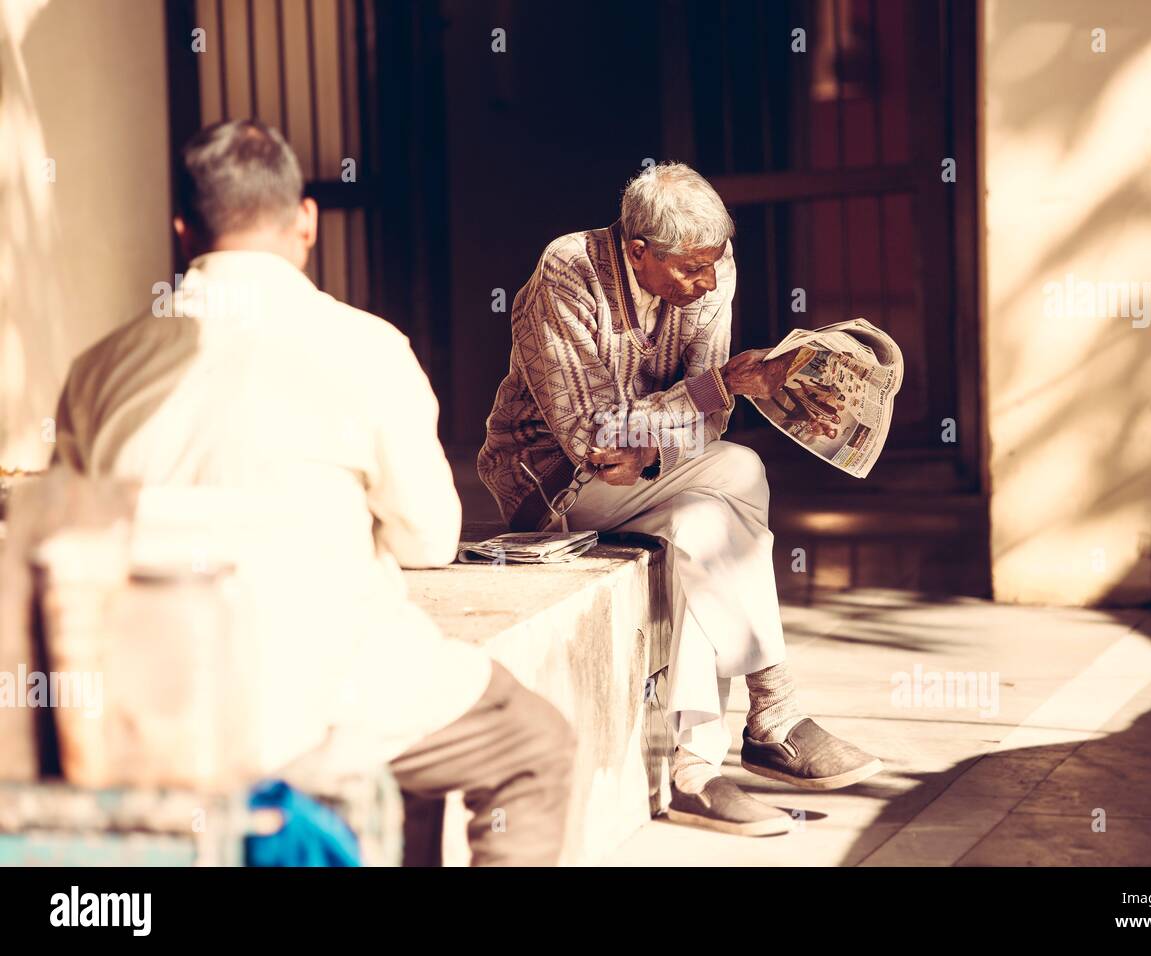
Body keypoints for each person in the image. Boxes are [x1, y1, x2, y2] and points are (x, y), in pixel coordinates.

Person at [53, 119, 574, 865]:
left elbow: (74, 541)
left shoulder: (98, 369)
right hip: (314, 704)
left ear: (182, 231)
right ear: (306, 220)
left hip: (149, 706)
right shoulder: (366, 346)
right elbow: (428, 539)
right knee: (534, 743)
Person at [478, 162, 881, 836]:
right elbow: (591, 438)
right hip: (549, 488)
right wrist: (711, 392)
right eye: (690, 269)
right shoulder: (566, 272)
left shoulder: (709, 268)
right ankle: (774, 710)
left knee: (703, 523)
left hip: (655, 477)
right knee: (742, 471)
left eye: (715, 262)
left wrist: (665, 436)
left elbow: (705, 421)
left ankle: (695, 773)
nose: (707, 283)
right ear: (639, 252)